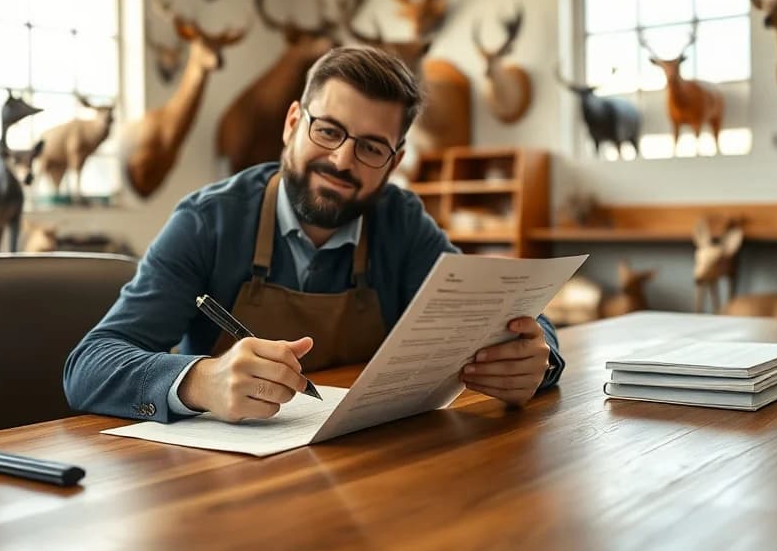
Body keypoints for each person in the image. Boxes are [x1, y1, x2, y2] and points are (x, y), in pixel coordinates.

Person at [63, 46, 564, 423]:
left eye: (371, 148)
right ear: (292, 123)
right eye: (328, 131)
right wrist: (199, 381)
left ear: (396, 162)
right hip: (225, 484)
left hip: (363, 469)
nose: (342, 160)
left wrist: (536, 360)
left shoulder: (401, 222)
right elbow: (89, 365)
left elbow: (512, 317)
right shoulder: (207, 221)